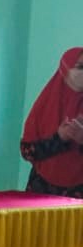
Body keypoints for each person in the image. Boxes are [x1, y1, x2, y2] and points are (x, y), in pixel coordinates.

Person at [21, 47, 83, 197]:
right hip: (41, 189)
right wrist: (59, 138)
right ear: (65, 68)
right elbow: (27, 151)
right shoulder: (45, 105)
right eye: (80, 67)